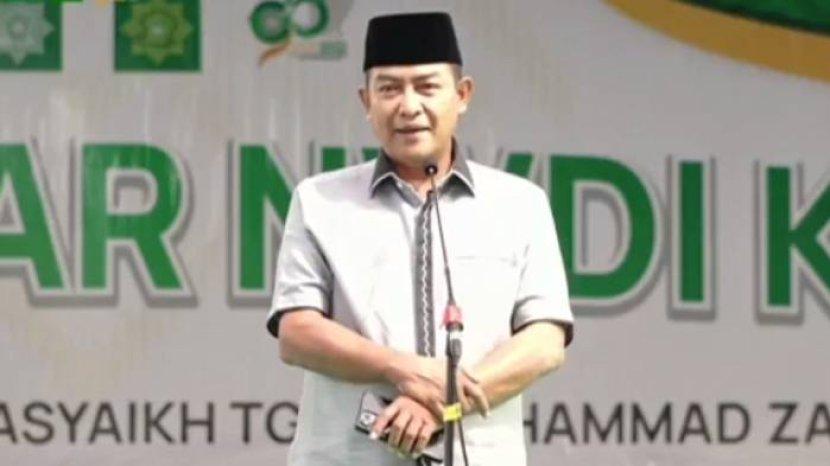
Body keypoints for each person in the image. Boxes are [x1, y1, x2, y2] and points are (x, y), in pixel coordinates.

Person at [266, 11, 574, 466]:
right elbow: (297, 333)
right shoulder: (319, 201)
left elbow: (545, 341)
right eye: (389, 89)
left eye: (427, 87)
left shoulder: (520, 203)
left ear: (462, 95)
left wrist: (442, 403)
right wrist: (402, 370)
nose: (408, 106)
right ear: (366, 100)